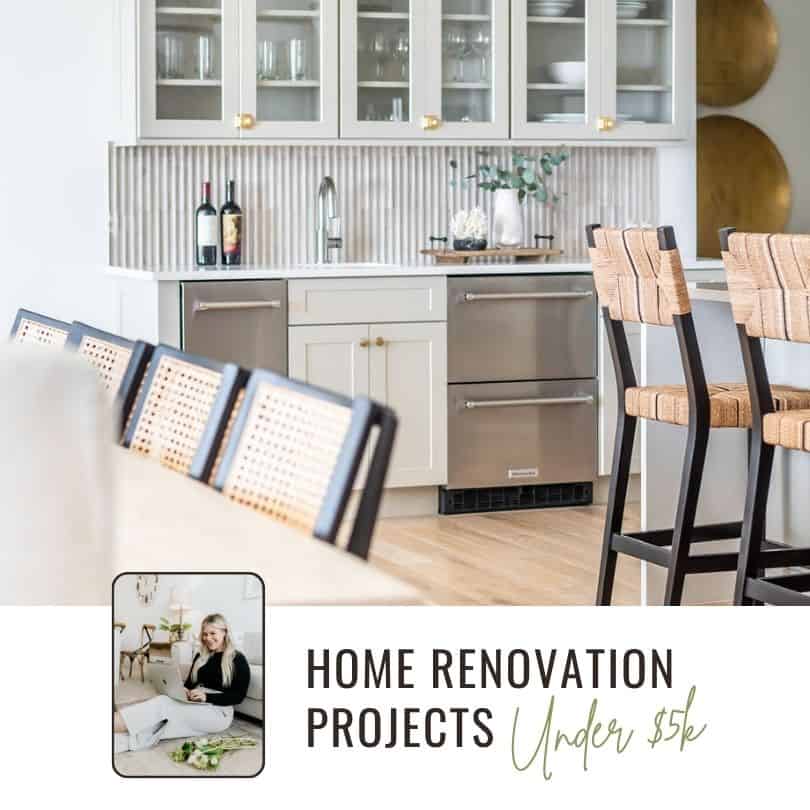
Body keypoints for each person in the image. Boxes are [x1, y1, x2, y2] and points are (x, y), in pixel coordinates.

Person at [114, 613, 250, 753]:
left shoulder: (237, 659)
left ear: (224, 632)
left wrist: (207, 697)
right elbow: (191, 684)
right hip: (197, 702)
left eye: (212, 633)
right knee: (161, 703)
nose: (208, 638)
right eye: (204, 634)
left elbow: (238, 696)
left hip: (219, 712)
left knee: (163, 706)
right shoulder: (201, 656)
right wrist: (182, 689)